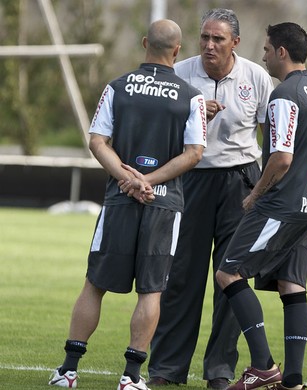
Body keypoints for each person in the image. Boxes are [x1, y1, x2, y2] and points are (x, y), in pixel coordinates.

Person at [48, 19, 207, 390]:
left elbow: (97, 141)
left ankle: (68, 371)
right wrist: (148, 182)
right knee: (151, 290)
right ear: (178, 51)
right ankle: (130, 378)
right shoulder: (191, 95)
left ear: (143, 43)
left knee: (94, 284)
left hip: (119, 199)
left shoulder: (117, 87)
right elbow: (195, 153)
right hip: (164, 204)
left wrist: (129, 180)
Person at [146, 8, 274, 390]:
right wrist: (196, 112)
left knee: (231, 278)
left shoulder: (256, 76)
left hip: (241, 181)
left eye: (218, 39)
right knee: (182, 275)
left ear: (235, 42)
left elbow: (271, 132)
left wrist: (262, 188)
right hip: (192, 181)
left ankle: (220, 369)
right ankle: (167, 368)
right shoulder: (181, 73)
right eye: (204, 37)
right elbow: (165, 127)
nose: (209, 45)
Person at [215, 22, 307, 390]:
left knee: (228, 273)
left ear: (282, 52)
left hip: (280, 207)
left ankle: (262, 367)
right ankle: (293, 381)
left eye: (267, 49)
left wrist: (255, 194)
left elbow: (282, 157)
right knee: (292, 286)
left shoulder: (284, 95)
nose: (263, 55)